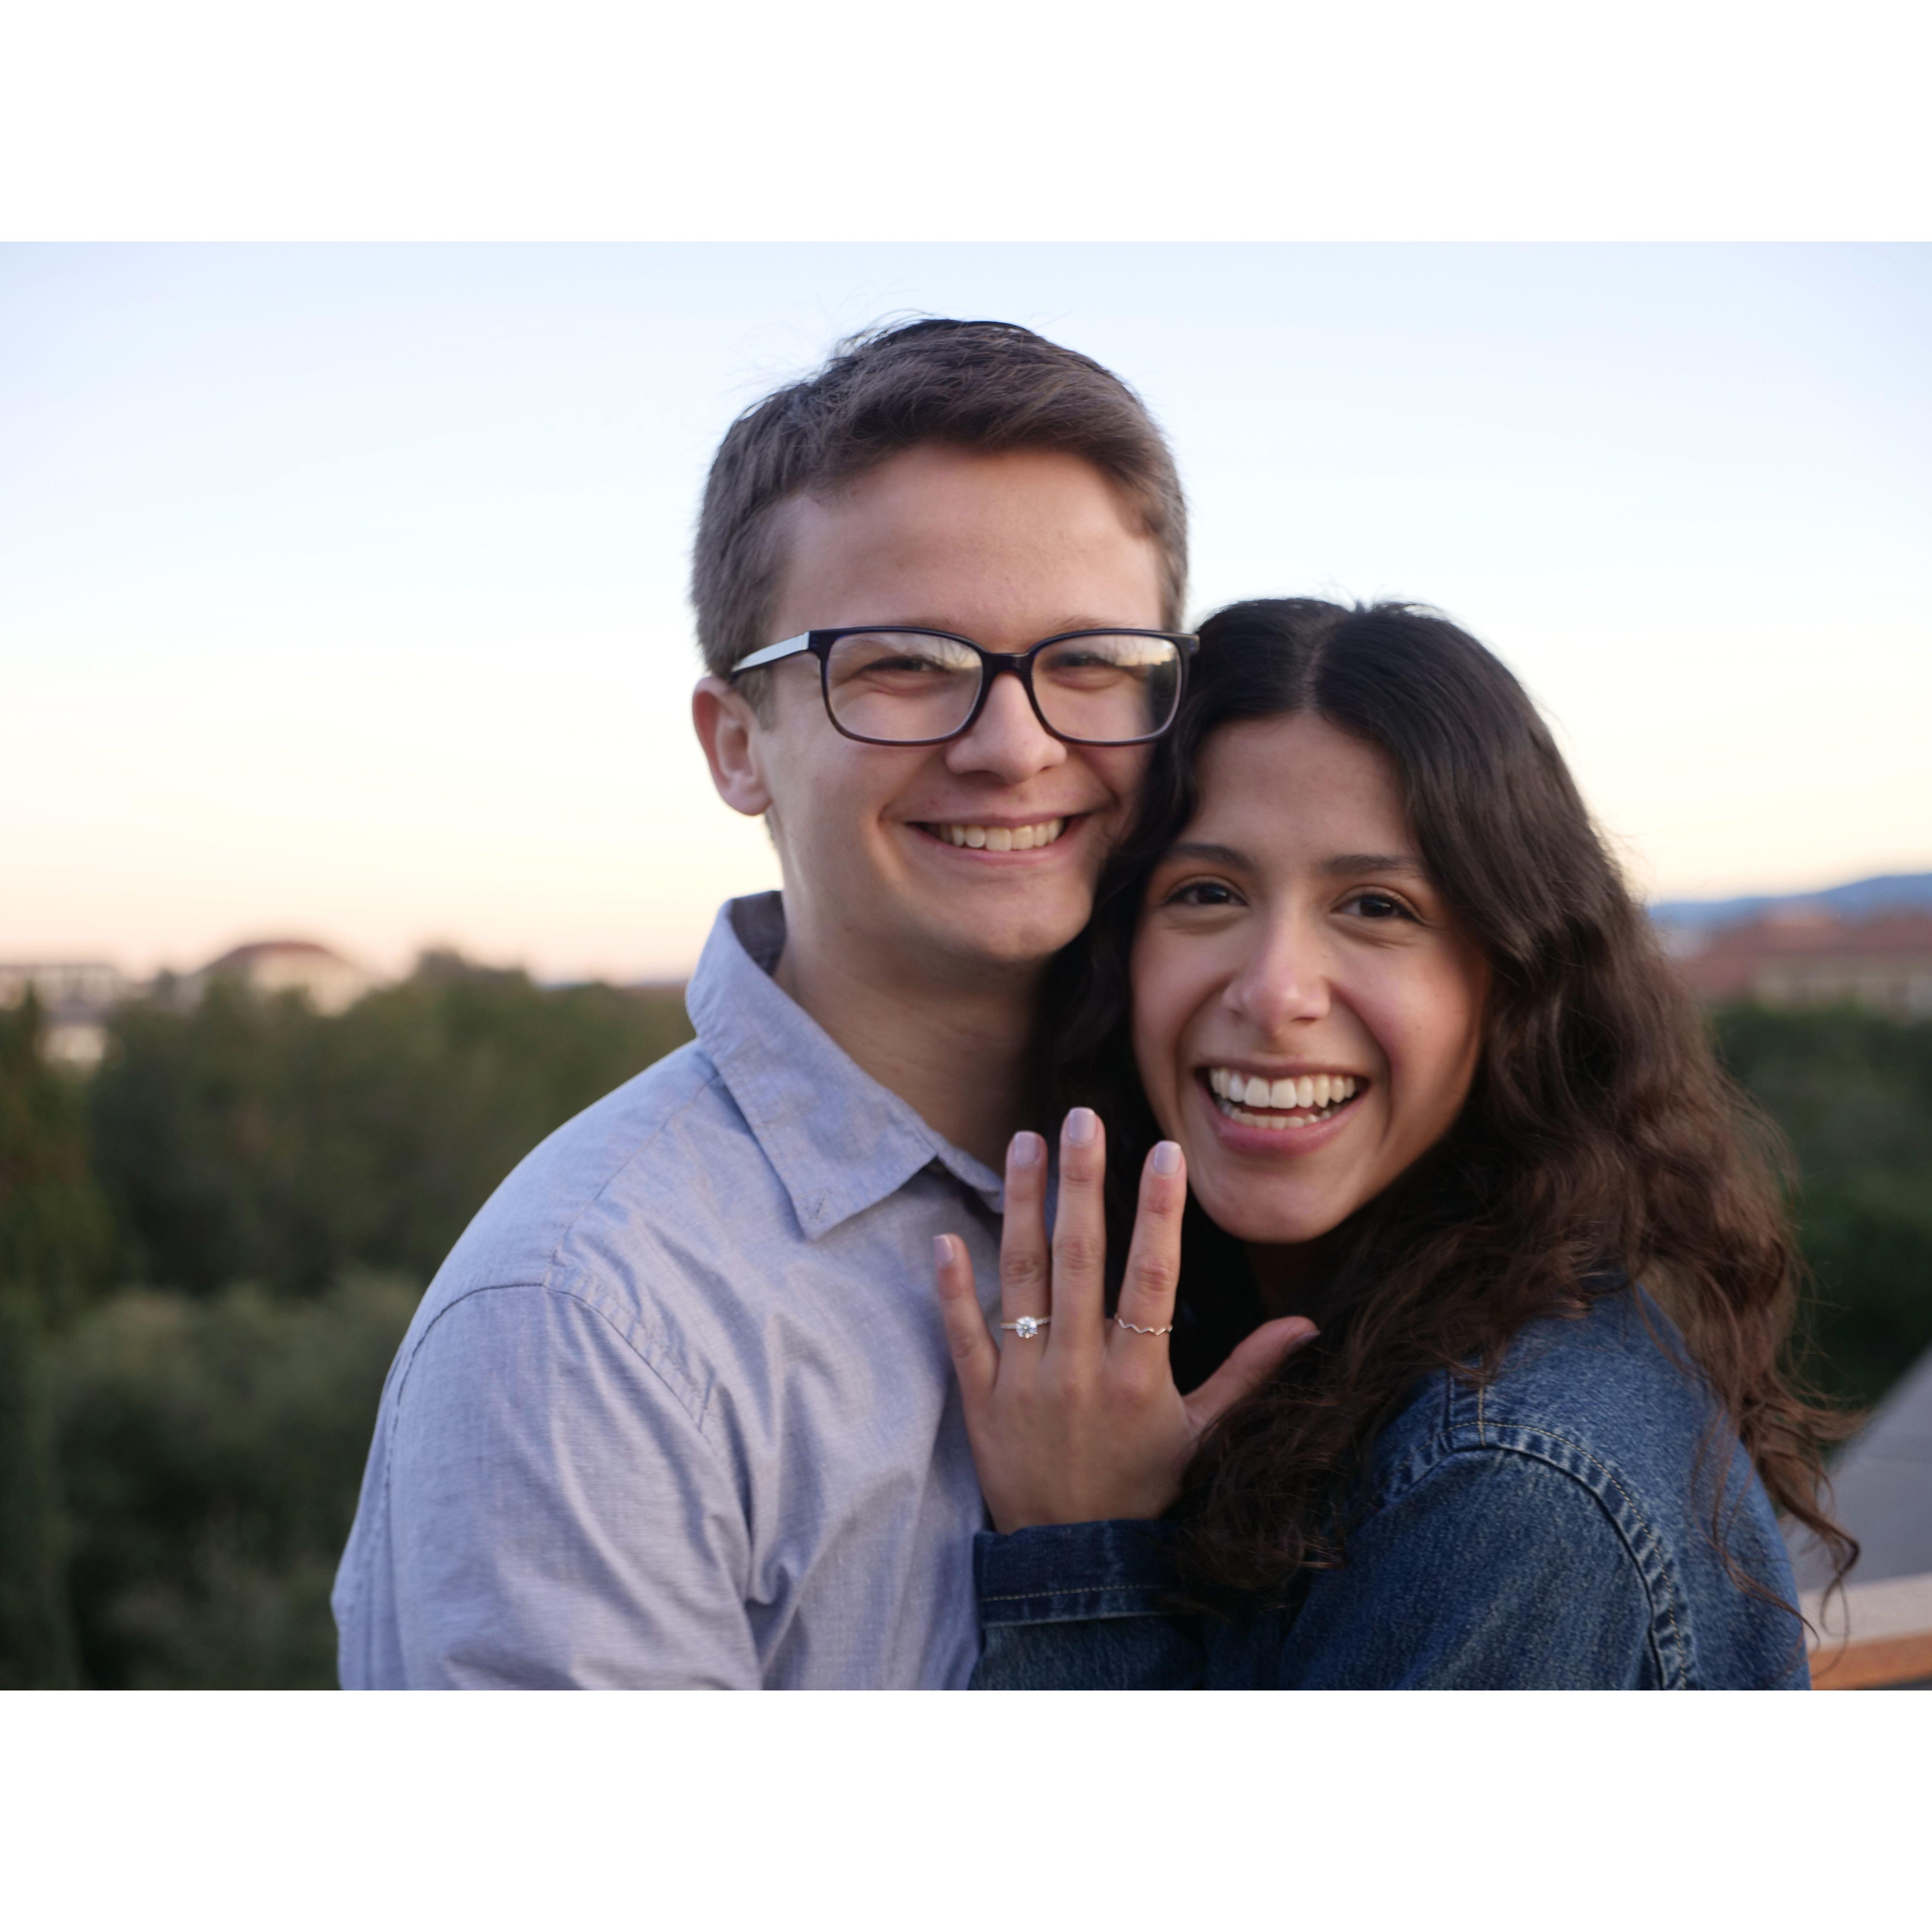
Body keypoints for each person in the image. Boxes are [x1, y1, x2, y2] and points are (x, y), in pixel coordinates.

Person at [332, 319, 1196, 1687]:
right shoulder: (584, 1328)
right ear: (740, 744)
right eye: (905, 664)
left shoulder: (1251, 1180)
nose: (1017, 747)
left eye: (1090, 659)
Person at [934, 597, 1854, 1689]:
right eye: (1208, 893)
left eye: (1376, 905)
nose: (1276, 994)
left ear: (1508, 982)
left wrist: (1079, 1559)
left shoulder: (1504, 1488)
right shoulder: (1322, 1339)